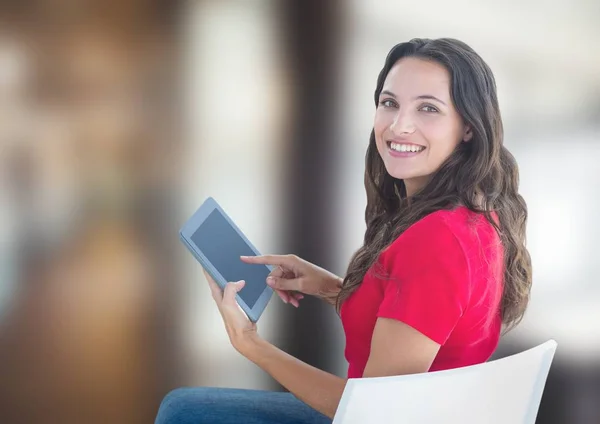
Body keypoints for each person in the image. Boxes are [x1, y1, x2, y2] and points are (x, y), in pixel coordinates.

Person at [155, 37, 532, 424]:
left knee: (182, 413)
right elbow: (420, 314)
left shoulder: (438, 240)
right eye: (390, 103)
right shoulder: (474, 213)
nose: (400, 125)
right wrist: (329, 287)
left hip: (379, 416)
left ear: (468, 127)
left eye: (428, 109)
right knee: (183, 407)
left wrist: (250, 344)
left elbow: (374, 411)